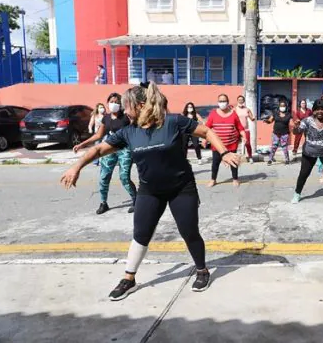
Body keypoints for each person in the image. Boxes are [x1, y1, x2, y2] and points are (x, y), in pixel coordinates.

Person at [60, 82, 241, 300]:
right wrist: (76, 166)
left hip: (181, 189)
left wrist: (223, 153)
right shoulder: (128, 132)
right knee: (140, 234)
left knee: (189, 232)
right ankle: (129, 278)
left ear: (141, 105)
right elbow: (99, 148)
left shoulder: (173, 122)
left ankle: (202, 270)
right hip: (149, 191)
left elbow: (206, 131)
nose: (124, 111)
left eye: (127, 106)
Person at [73, 93, 137, 214]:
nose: (114, 104)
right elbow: (98, 135)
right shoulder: (106, 118)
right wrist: (82, 144)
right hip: (109, 148)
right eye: (112, 101)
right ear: (107, 103)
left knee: (124, 177)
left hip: (124, 149)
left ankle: (136, 200)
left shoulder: (126, 117)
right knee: (104, 177)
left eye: (117, 102)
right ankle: (103, 203)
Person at [205, 94, 246, 187]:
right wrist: (205, 140)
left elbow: (240, 128)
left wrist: (244, 136)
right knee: (215, 163)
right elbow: (207, 128)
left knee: (234, 162)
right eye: (220, 101)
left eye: (224, 101)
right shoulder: (213, 113)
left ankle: (235, 179)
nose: (222, 103)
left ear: (227, 102)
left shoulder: (234, 114)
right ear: (218, 102)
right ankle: (213, 179)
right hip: (217, 146)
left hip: (231, 144)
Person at [265, 100, 292, 165]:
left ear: (286, 107)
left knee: (284, 147)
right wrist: (267, 121)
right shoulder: (275, 113)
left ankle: (287, 159)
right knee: (274, 146)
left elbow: (294, 121)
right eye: (281, 106)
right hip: (276, 133)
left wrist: (297, 123)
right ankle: (270, 159)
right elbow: (270, 120)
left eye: (283, 106)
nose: (282, 107)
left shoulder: (289, 114)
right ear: (279, 106)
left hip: (285, 133)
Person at [235, 95, 255, 163]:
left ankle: (250, 157)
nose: (240, 101)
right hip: (237, 130)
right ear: (237, 101)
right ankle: (233, 157)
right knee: (235, 144)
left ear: (244, 101)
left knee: (247, 144)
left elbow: (252, 118)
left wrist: (253, 118)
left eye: (242, 100)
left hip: (245, 129)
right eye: (239, 100)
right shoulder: (235, 109)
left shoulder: (247, 109)